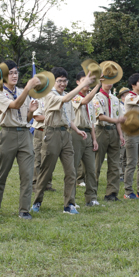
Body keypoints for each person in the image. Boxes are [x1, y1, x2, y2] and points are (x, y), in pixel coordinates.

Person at [32, 67, 95, 214]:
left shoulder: (67, 95)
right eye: (59, 81)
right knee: (46, 171)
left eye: (65, 81)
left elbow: (68, 117)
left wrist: (77, 130)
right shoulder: (49, 95)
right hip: (51, 133)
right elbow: (65, 100)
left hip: (66, 135)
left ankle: (69, 204)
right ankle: (37, 202)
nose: (63, 84)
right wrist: (83, 84)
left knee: (71, 171)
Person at [0, 61, 40, 220]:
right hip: (7, 134)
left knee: (27, 174)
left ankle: (24, 210)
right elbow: (15, 105)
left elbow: (25, 118)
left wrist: (30, 112)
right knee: (1, 173)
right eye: (11, 73)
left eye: (16, 72)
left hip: (24, 135)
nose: (14, 75)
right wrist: (29, 87)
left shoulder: (23, 91)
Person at [70, 71, 101, 206]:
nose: (87, 83)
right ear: (78, 82)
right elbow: (84, 101)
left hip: (88, 133)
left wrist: (94, 139)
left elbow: (92, 121)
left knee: (90, 168)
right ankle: (70, 200)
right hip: (76, 133)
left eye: (89, 81)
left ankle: (91, 198)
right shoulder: (74, 96)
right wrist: (98, 85)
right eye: (84, 80)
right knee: (73, 168)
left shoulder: (91, 99)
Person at [93, 82, 125, 201]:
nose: (109, 83)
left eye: (112, 80)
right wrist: (116, 120)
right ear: (101, 81)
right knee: (97, 163)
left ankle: (111, 193)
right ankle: (92, 193)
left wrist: (121, 135)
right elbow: (100, 116)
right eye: (107, 80)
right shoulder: (97, 97)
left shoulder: (115, 99)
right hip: (101, 130)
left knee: (114, 164)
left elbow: (118, 119)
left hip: (114, 132)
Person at [31, 97, 54, 192]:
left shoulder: (55, 98)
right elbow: (37, 116)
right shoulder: (38, 99)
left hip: (51, 131)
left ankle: (47, 184)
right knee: (38, 158)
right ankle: (36, 184)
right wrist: (54, 118)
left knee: (49, 158)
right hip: (41, 131)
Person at [117, 88, 130, 182]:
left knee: (127, 154)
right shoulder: (119, 106)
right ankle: (120, 174)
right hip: (121, 130)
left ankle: (125, 173)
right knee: (121, 153)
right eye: (127, 95)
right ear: (122, 96)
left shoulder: (130, 105)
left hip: (129, 131)